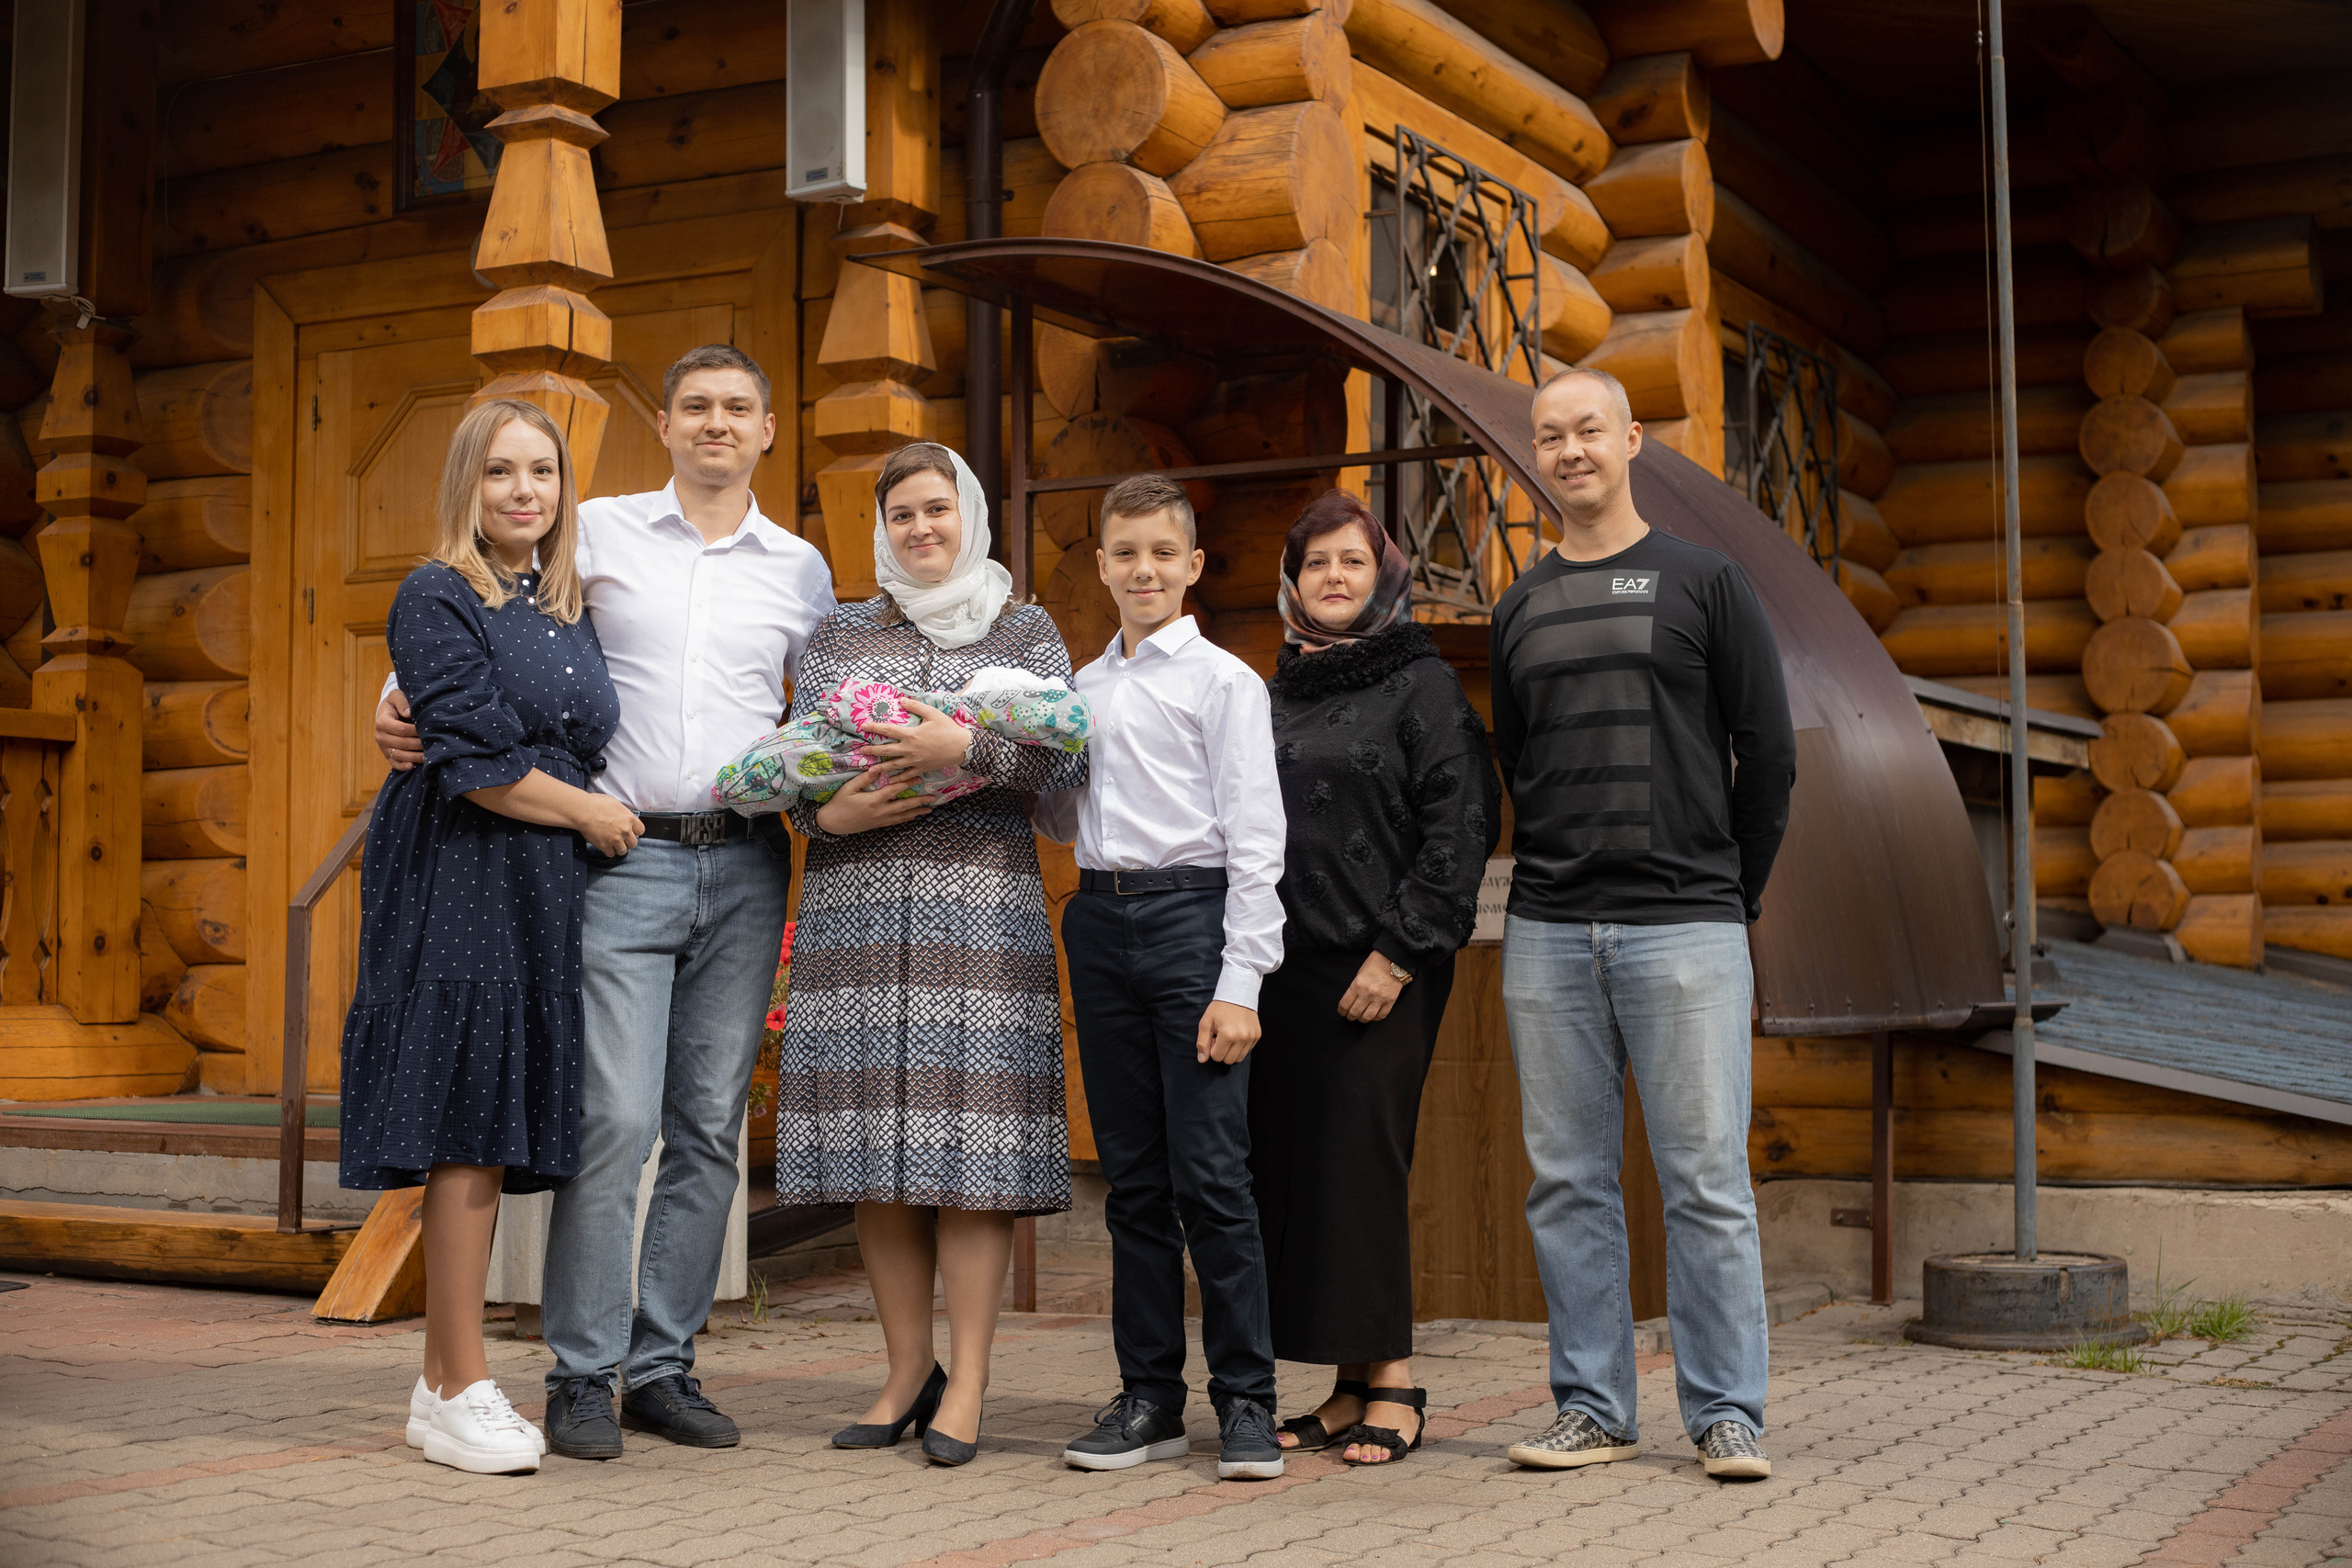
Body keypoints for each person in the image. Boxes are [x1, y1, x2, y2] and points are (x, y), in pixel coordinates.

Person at [375, 346, 835, 1461]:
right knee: (611, 1122)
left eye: (737, 408)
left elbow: (828, 709)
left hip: (747, 861)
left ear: (768, 429)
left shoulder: (803, 570)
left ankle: (662, 1366)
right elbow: (486, 623)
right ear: (665, 426)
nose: (715, 424)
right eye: (695, 408)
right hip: (617, 859)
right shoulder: (602, 532)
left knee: (707, 1129)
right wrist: (391, 703)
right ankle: (580, 1373)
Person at [1491, 367, 1795, 1482]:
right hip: (1549, 932)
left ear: (1630, 440)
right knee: (1566, 1179)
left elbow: (1769, 757)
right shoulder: (1518, 605)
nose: (1568, 450)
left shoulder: (1705, 582)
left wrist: (1727, 893)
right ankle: (1593, 1407)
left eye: (1587, 430)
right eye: (1548, 436)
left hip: (1685, 929)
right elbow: (1518, 760)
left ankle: (1726, 1414)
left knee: (1704, 1177)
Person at [342, 399, 640, 1475]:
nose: (524, 492)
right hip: (460, 867)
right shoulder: (436, 591)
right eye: (502, 473)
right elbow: (471, 760)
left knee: (494, 1117)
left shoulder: (562, 609)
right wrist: (591, 815)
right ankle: (458, 1380)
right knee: (463, 1117)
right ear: (466, 485)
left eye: (544, 474)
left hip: (540, 887)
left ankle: (441, 1388)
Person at [778, 441, 1084, 1467]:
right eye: (902, 514)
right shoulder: (837, 635)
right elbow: (794, 773)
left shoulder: (1023, 626)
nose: (920, 530)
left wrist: (971, 751)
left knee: (973, 1157)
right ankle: (906, 1370)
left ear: (971, 518)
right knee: (879, 1156)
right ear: (881, 529)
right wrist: (831, 820)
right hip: (856, 909)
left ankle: (971, 1383)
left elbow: (1068, 756)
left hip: (978, 905)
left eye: (936, 511)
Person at [1033, 474, 1290, 1483]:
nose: (1142, 570)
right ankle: (1149, 1398)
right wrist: (1019, 758)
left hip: (1194, 922)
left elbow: (1257, 841)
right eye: (1123, 553)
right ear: (1100, 566)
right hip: (1097, 923)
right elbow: (1060, 819)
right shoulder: (1080, 692)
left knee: (1213, 1180)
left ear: (1190, 568)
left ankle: (1247, 1401)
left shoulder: (1224, 683)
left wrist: (1241, 983)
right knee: (1133, 1186)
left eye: (1160, 554)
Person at [1250, 490, 1498, 1467]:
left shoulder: (1421, 684)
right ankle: (1347, 1387)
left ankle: (1393, 1380)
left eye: (1351, 560)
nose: (1335, 578)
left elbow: (1463, 823)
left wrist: (1396, 954)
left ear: (1382, 572)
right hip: (1283, 967)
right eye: (1316, 565)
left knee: (1361, 1164)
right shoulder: (1275, 687)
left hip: (1379, 968)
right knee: (1306, 1172)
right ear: (1295, 581)